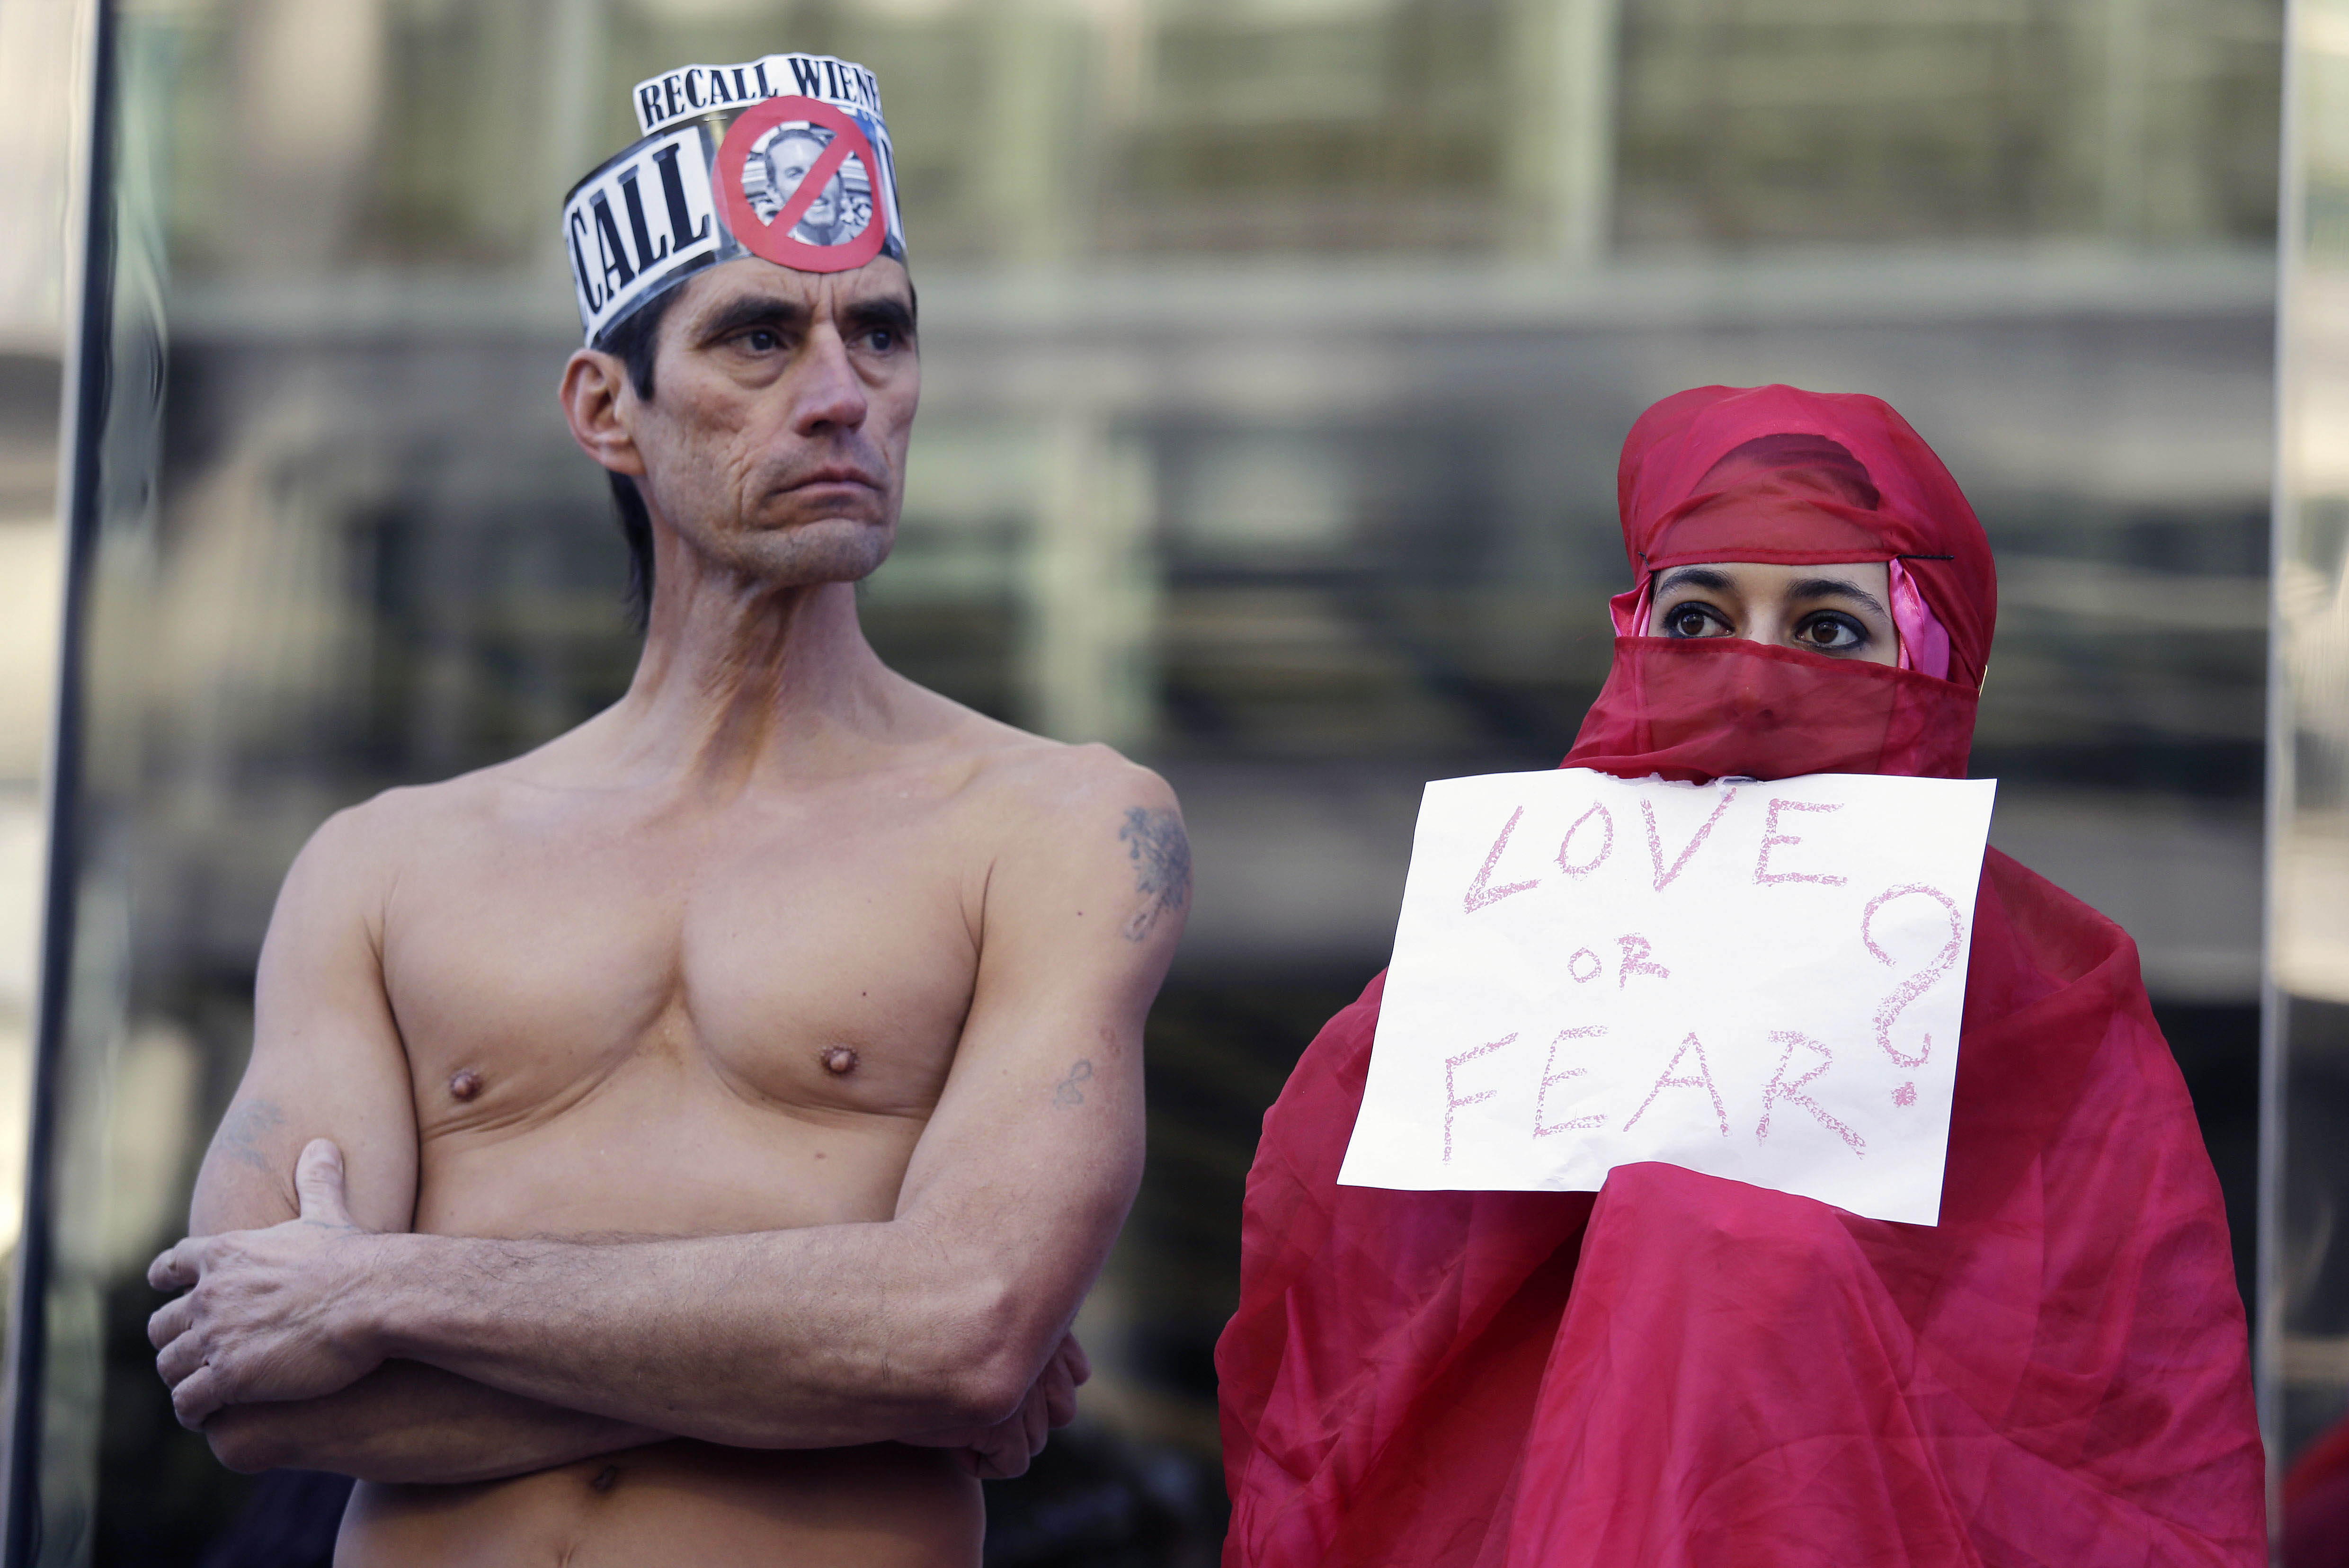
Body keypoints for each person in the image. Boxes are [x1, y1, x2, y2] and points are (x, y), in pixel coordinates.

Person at [143, 51, 1186, 1568]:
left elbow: (961, 1329)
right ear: (605, 408)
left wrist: (382, 1291)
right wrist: (829, 1360)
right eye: (758, 337)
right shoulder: (386, 865)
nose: (839, 396)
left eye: (879, 334)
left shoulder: (1058, 829)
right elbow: (251, 1390)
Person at [1215, 384, 2265, 1568]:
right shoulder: (1478, 971)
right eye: (1700, 623)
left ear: (1943, 672)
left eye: (1827, 632)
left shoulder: (2059, 1011)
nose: (1754, 687)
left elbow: (2139, 1461)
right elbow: (1332, 1385)